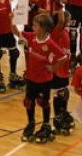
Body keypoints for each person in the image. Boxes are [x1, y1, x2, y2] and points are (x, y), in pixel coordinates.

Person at [22, 12, 68, 143]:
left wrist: (54, 68)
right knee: (28, 102)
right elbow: (16, 32)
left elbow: (63, 57)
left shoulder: (50, 43)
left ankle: (46, 124)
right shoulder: (32, 38)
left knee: (43, 102)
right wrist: (12, 20)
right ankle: (31, 123)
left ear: (43, 28)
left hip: (44, 80)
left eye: (35, 25)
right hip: (31, 78)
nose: (33, 27)